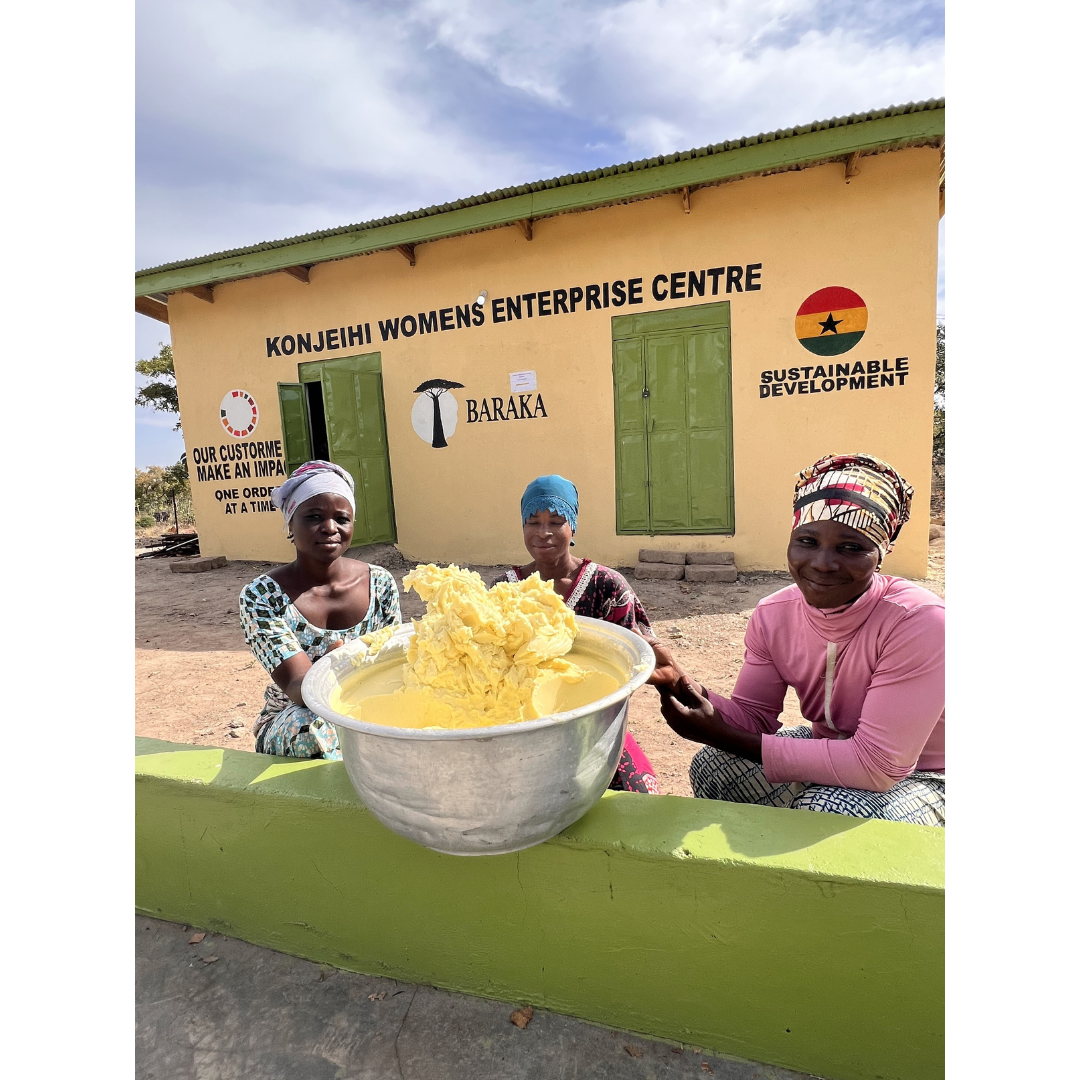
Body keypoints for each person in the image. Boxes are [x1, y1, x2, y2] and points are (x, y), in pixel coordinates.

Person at [660, 453, 944, 826]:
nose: (823, 563)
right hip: (836, 750)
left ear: (881, 553)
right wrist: (679, 681)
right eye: (807, 540)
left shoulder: (917, 620)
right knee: (715, 767)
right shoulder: (774, 614)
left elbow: (878, 764)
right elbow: (755, 718)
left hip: (924, 774)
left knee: (829, 810)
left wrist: (727, 737)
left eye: (852, 547)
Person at [501, 475, 680, 794]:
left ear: (573, 526)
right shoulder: (503, 591)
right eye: (533, 522)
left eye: (556, 521)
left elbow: (629, 660)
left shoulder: (606, 586)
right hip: (520, 728)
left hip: (595, 727)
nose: (544, 533)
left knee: (638, 796)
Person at [239, 461, 401, 759]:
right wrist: (336, 665)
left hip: (372, 704)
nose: (330, 528)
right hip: (296, 713)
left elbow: (394, 662)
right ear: (290, 523)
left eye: (342, 518)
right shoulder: (263, 596)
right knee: (314, 730)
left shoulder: (380, 583)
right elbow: (299, 687)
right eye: (314, 517)